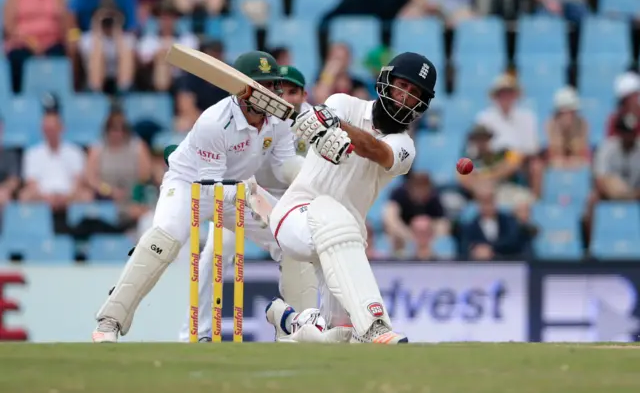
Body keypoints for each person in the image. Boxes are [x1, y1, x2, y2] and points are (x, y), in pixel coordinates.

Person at [91, 51, 310, 343]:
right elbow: (211, 185)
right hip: (188, 184)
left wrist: (311, 177)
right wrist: (250, 195)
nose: (271, 93)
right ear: (243, 90)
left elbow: (284, 167)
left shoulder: (279, 120)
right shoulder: (214, 121)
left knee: (291, 236)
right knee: (164, 239)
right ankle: (110, 320)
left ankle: (305, 326)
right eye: (263, 86)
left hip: (238, 187)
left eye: (273, 85)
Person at [265, 52, 438, 344]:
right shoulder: (343, 103)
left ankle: (293, 322)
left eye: (413, 93)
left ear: (421, 104)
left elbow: (376, 150)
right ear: (386, 81)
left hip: (344, 242)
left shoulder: (405, 146)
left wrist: (338, 128)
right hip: (295, 216)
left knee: (340, 335)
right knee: (329, 211)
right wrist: (319, 124)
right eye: (401, 85)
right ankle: (375, 325)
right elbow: (325, 120)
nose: (404, 96)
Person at [177, 65, 319, 342]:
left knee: (299, 250)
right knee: (218, 249)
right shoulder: (255, 114)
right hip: (244, 196)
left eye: (294, 92)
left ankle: (298, 327)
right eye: (282, 91)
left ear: (305, 94)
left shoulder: (312, 123)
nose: (287, 99)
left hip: (289, 203)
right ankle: (197, 331)